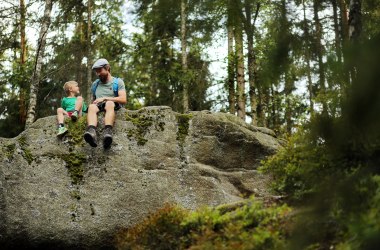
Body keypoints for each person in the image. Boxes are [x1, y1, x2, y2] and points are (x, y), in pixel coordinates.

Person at [83, 58, 127, 149]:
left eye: (100, 70)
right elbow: (94, 100)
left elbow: (123, 99)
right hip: (99, 105)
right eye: (96, 72)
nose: (98, 74)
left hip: (112, 105)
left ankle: (108, 132)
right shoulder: (95, 84)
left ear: (107, 68)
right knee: (91, 106)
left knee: (109, 103)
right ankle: (91, 132)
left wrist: (106, 98)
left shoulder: (117, 82)